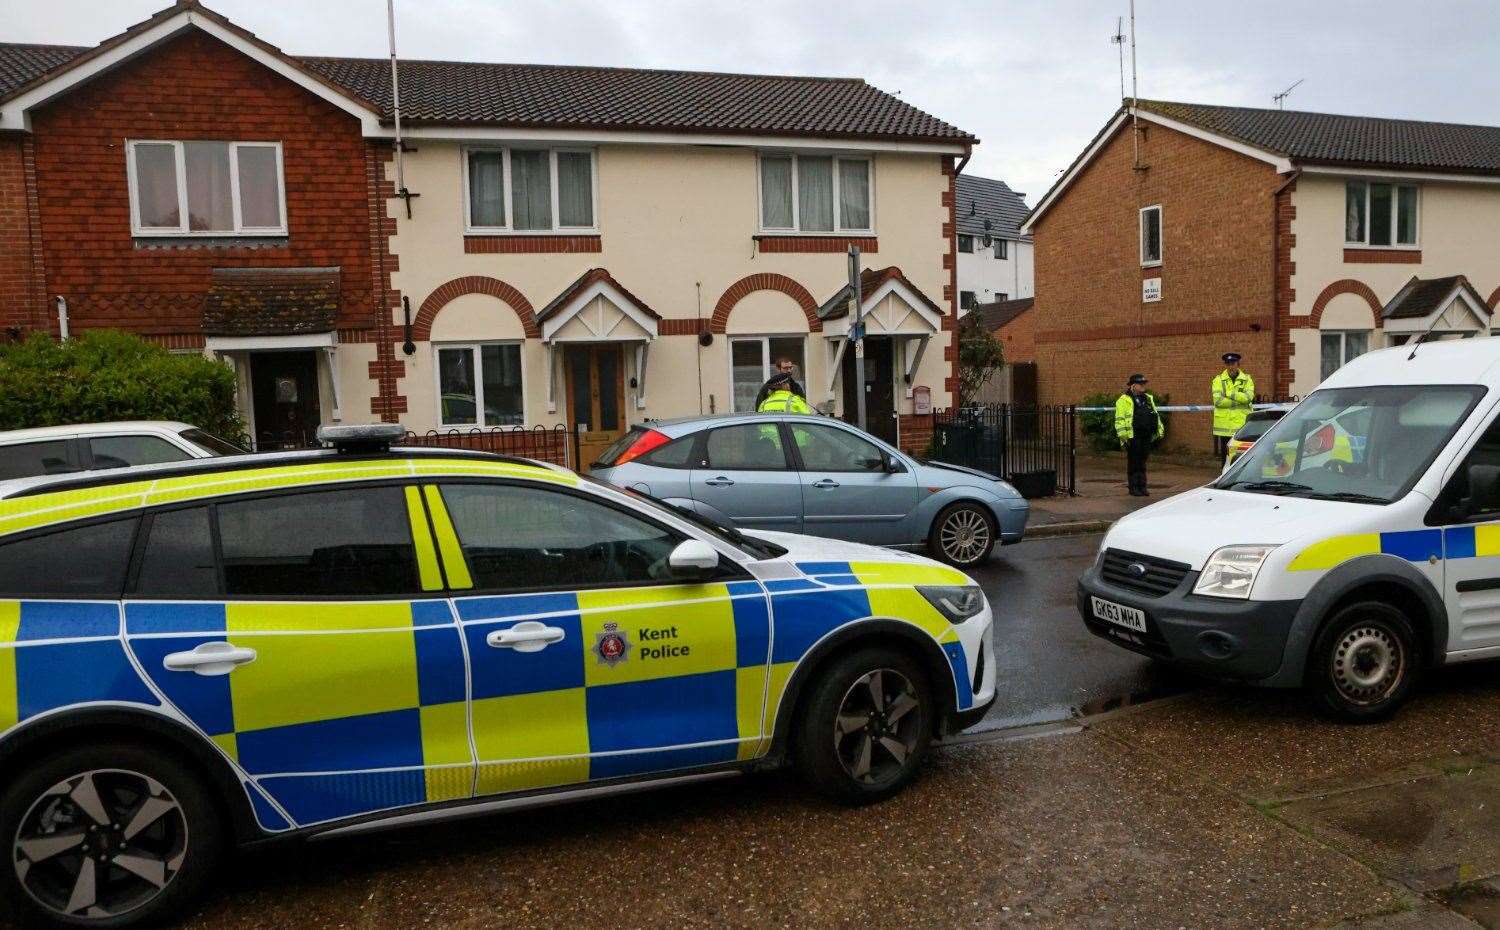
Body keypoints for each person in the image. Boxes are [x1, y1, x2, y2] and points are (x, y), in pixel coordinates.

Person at [1114, 373, 1163, 497]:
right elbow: (1119, 420)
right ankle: (1134, 487)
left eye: (1144, 384)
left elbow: (1154, 414)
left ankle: (1142, 487)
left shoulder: (1147, 398)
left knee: (1142, 462)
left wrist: (1158, 430)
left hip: (1146, 434)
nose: (1143, 386)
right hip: (1132, 436)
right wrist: (1124, 437)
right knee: (1134, 463)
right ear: (1133, 386)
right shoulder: (1123, 400)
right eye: (1141, 384)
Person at [1212, 352, 1255, 464]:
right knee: (1225, 456)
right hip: (1225, 426)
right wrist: (1239, 401)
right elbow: (1218, 401)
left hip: (1242, 425)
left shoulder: (1247, 379)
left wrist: (1229, 393)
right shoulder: (1218, 380)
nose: (1231, 366)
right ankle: (1224, 474)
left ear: (1238, 364)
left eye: (1233, 363)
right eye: (1228, 364)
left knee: (1241, 454)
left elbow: (1248, 398)